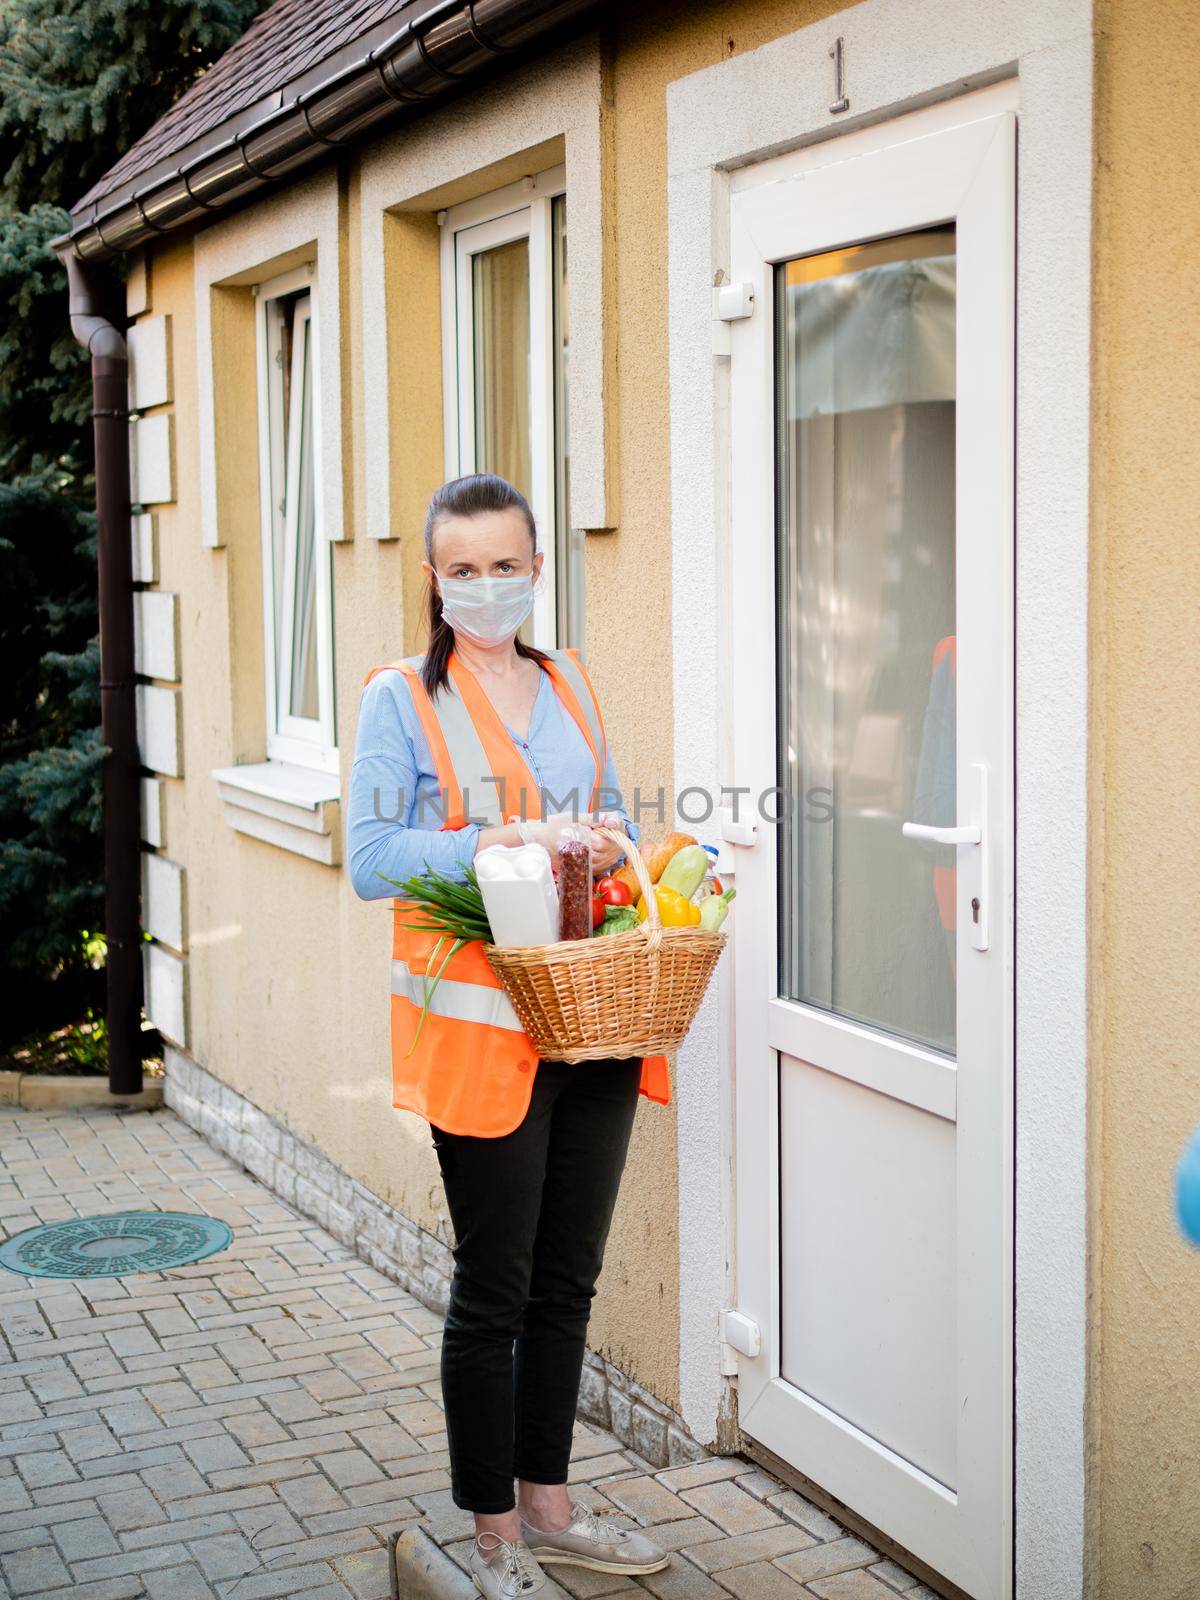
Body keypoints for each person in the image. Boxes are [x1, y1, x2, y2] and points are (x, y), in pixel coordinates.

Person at [347, 473, 671, 1598]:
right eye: (464, 568)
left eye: (507, 564)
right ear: (433, 579)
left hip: (590, 1018)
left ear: (540, 565)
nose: (489, 586)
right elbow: (370, 856)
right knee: (497, 1283)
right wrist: (508, 841)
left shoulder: (569, 676)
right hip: (484, 1032)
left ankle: (553, 1508)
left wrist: (617, 847)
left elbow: (618, 816)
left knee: (567, 1279)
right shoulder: (400, 697)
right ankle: (493, 1542)